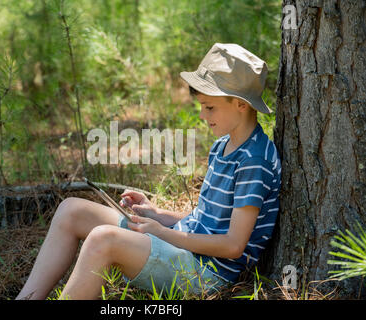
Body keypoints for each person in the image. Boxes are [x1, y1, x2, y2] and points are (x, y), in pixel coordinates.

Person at [15, 43, 282, 300]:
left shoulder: (253, 160)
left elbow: (233, 245)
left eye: (209, 107)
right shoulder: (223, 144)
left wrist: (162, 233)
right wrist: (158, 215)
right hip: (185, 249)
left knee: (102, 239)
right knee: (71, 210)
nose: (202, 115)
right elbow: (209, 220)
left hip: (207, 273)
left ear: (241, 104)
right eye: (201, 106)